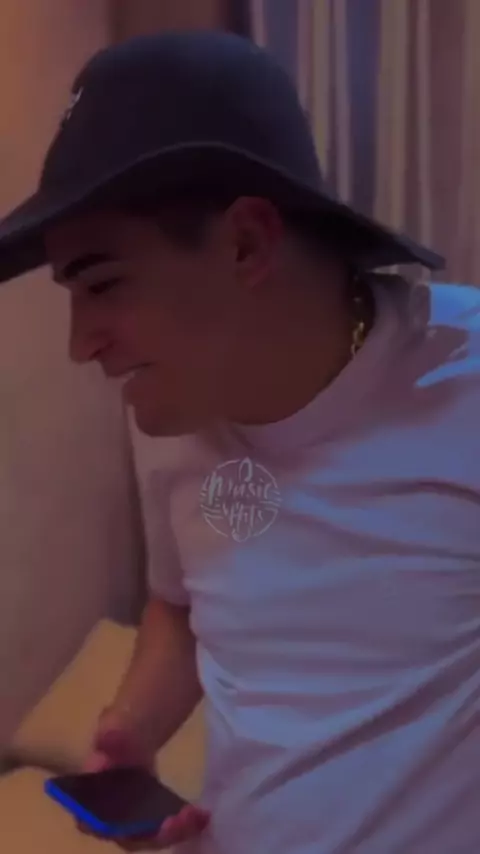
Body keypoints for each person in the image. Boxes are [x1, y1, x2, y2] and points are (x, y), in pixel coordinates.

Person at [0, 29, 479, 854]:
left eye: (104, 284)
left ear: (248, 243)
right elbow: (185, 604)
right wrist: (132, 726)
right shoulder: (169, 411)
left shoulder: (463, 384)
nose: (82, 344)